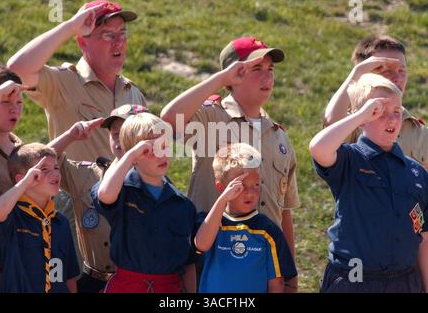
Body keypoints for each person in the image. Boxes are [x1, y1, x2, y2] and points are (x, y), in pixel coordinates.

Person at [161, 36, 300, 291]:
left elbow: (285, 213)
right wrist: (219, 79)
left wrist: (291, 278)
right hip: (213, 262)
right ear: (233, 74)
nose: (267, 77)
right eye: (256, 69)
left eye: (270, 69)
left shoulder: (279, 137)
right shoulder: (211, 118)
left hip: (263, 269)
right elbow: (169, 120)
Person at [309, 73, 428, 292]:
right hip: (353, 280)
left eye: (397, 112)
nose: (391, 119)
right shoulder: (349, 159)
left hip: (404, 282)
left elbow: (424, 237)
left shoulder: (416, 172)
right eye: (379, 112)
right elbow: (318, 148)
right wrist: (360, 115)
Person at [7, 0, 146, 162]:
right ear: (82, 42)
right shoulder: (63, 82)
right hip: (79, 187)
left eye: (122, 33)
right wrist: (71, 27)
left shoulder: (133, 92)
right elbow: (17, 69)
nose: (119, 42)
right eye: (108, 35)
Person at [91, 112, 197, 293]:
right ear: (133, 155)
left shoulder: (182, 205)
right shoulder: (121, 189)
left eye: (165, 146)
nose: (161, 154)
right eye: (150, 149)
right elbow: (105, 195)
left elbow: (188, 263)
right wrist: (131, 154)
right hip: (127, 287)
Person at [48, 104, 148, 292]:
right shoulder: (87, 175)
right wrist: (69, 137)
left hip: (137, 283)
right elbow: (39, 164)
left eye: (129, 133)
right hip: (92, 282)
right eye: (116, 133)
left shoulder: (157, 186)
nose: (120, 141)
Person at [195, 143, 297, 293]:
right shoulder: (209, 223)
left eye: (256, 184)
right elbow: (202, 244)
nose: (250, 193)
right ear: (221, 187)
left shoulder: (267, 230)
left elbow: (276, 284)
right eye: (241, 185)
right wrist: (222, 200)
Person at [324, 35, 428, 169]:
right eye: (386, 70)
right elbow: (331, 122)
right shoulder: (355, 123)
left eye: (402, 70)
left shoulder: (418, 132)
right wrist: (358, 72)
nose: (397, 78)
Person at [0, 143, 80, 293]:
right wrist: (25, 182)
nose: (55, 173)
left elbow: (69, 277)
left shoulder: (60, 222)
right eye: (43, 170)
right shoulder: (12, 217)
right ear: (22, 179)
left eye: (56, 167)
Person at [0, 65, 25, 292]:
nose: (15, 110)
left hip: (21, 252)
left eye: (19, 103)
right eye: (6, 102)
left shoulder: (20, 146)